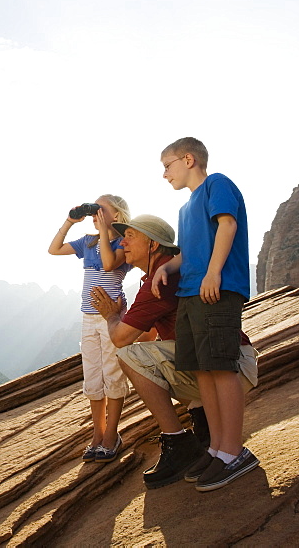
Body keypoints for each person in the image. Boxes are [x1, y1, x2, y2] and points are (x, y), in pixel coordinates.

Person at [94, 214, 258, 489]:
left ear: (154, 245)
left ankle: (178, 441)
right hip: (230, 360)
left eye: (131, 236)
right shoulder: (163, 274)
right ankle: (205, 425)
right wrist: (124, 317)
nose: (123, 243)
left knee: (128, 357)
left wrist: (112, 317)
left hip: (228, 366)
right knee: (148, 355)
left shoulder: (161, 280)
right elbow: (147, 336)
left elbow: (121, 340)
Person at [151, 137, 259, 492]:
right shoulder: (185, 209)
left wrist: (214, 273)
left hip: (217, 289)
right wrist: (167, 268)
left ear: (188, 158)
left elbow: (227, 225)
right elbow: (189, 251)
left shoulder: (217, 184)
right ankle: (216, 447)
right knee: (202, 371)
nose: (164, 174)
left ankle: (234, 451)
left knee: (220, 367)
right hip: (190, 295)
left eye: (167, 165)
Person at [49, 195, 133, 463]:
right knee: (93, 376)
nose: (95, 213)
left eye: (101, 209)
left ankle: (111, 434)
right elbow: (54, 249)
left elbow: (109, 264)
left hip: (111, 318)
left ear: (116, 216)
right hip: (88, 317)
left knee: (112, 374)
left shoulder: (124, 243)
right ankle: (97, 435)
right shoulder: (88, 242)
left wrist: (106, 232)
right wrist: (70, 222)